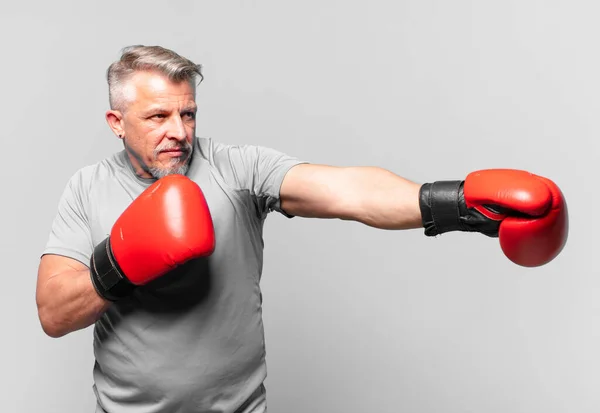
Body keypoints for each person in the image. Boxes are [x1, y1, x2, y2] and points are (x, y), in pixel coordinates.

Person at [35, 45, 569, 413]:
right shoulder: (87, 190)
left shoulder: (236, 170)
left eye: (189, 114)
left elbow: (347, 192)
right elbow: (53, 312)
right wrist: (121, 262)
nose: (180, 133)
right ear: (116, 122)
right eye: (158, 118)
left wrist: (453, 203)